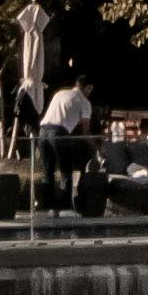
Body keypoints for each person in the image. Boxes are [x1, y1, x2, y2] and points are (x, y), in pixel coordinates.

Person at [37, 71, 94, 211]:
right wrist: (97, 148)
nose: (90, 93)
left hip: (43, 131)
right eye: (90, 89)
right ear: (86, 87)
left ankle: (48, 205)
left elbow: (63, 113)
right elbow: (85, 132)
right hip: (58, 133)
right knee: (65, 171)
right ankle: (65, 206)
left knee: (47, 170)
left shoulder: (60, 93)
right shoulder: (85, 102)